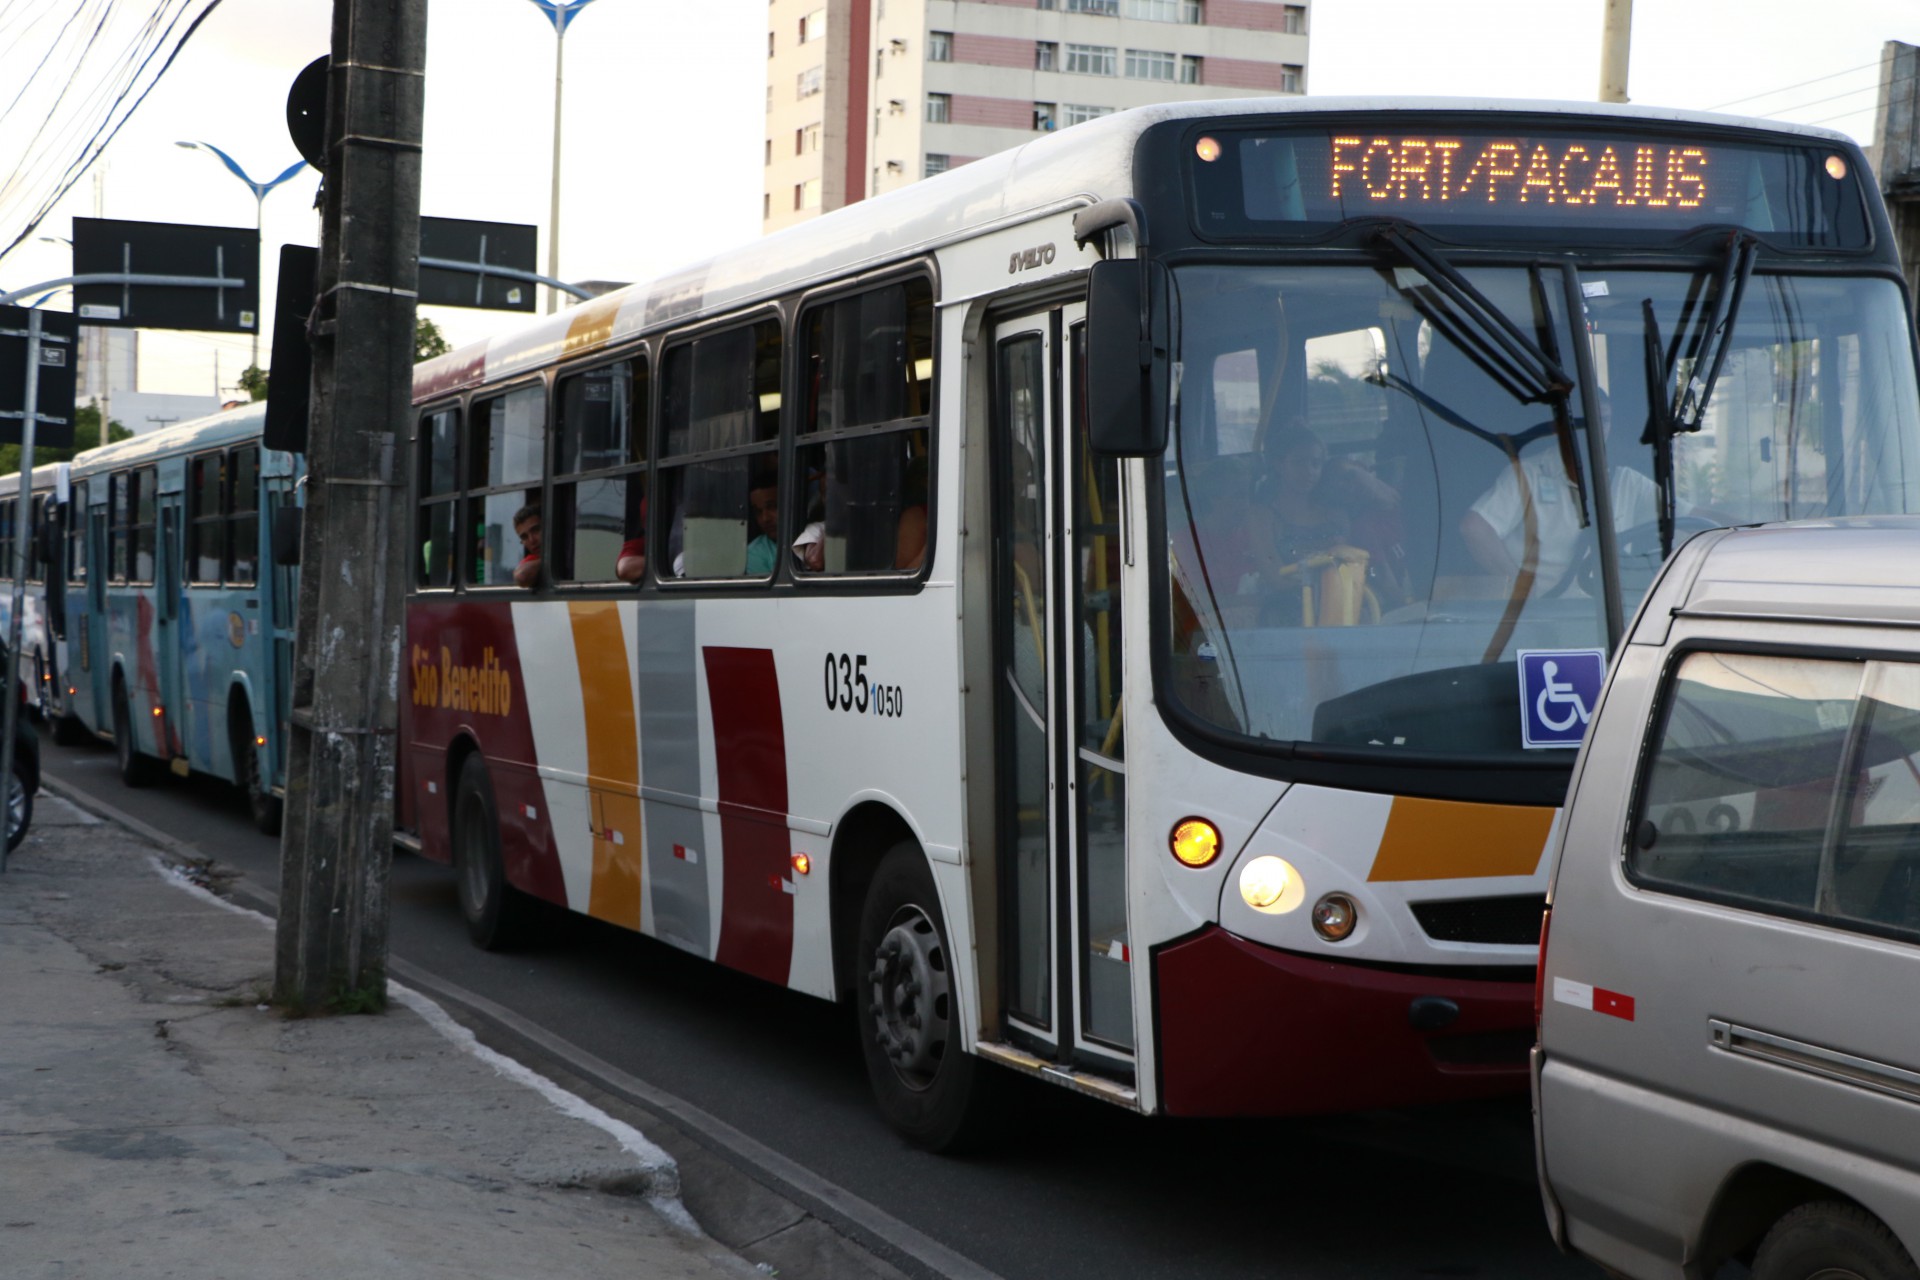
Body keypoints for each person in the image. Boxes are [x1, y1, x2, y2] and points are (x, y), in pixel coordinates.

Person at [1459, 395, 1683, 593]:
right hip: (1544, 618)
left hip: (1608, 616)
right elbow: (1475, 528)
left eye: (1604, 419)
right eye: (1582, 421)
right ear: (1559, 425)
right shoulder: (1528, 474)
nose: (1596, 428)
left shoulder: (1626, 481)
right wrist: (1523, 592)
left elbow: (1687, 517)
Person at [746, 473, 780, 575]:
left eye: (771, 507)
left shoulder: (812, 535)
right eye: (758, 512)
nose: (765, 519)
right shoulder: (755, 553)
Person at [511, 503, 542, 588]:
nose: (532, 540)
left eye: (535, 530)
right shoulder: (532, 560)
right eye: (524, 537)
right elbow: (522, 576)